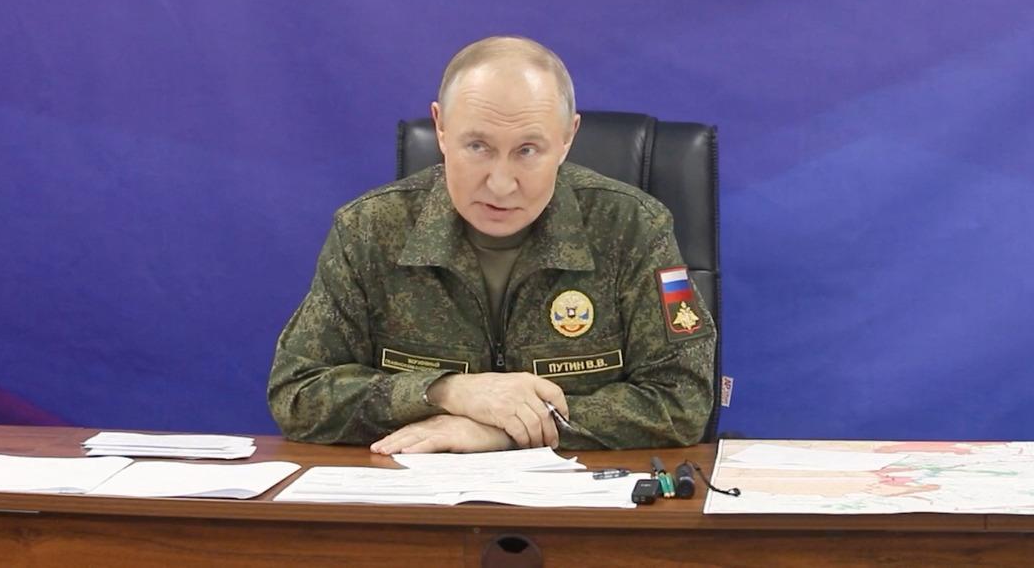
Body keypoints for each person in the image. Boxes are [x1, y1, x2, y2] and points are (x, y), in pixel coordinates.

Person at [267, 35, 715, 453]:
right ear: (441, 129)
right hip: (417, 498)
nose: (500, 184)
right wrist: (445, 391)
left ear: (566, 139)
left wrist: (504, 430)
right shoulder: (369, 230)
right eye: (478, 146)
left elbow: (683, 400)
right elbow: (297, 392)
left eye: (527, 150)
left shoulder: (633, 228)